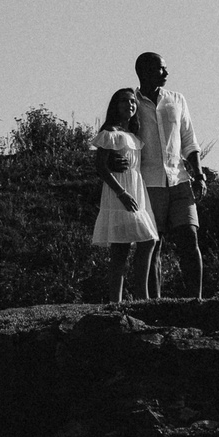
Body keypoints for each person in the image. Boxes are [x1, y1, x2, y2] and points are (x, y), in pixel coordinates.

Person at [129, 51, 206, 298]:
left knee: (190, 237)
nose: (166, 73)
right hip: (148, 182)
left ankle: (197, 300)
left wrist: (200, 174)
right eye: (161, 69)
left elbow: (189, 140)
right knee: (154, 245)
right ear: (145, 71)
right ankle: (155, 302)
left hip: (180, 178)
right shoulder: (132, 102)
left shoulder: (177, 99)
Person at [89, 87, 158, 301]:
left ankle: (135, 297)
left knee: (144, 241)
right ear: (115, 106)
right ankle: (121, 300)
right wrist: (122, 193)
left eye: (132, 102)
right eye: (124, 101)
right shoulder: (110, 133)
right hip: (120, 192)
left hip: (137, 189)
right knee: (126, 247)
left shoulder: (132, 135)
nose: (130, 105)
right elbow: (100, 166)